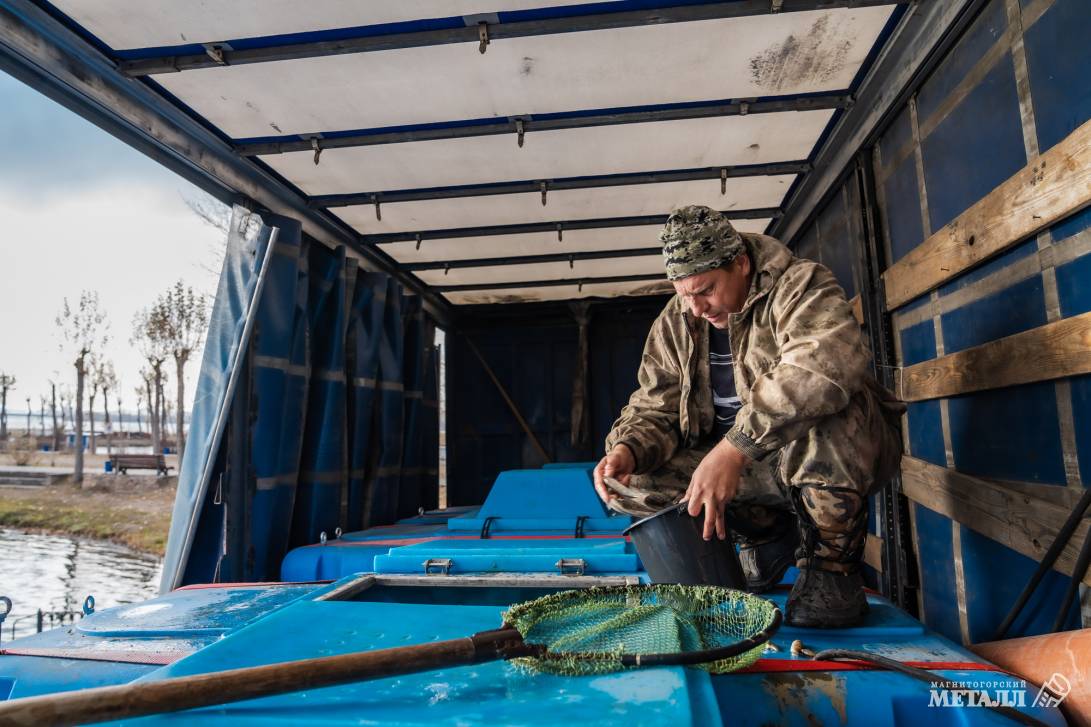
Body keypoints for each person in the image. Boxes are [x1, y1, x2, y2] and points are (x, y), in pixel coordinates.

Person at [593, 205, 903, 628]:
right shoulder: (675, 322)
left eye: (706, 290)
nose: (697, 307)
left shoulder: (801, 284)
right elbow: (654, 403)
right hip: (744, 474)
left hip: (822, 458)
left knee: (829, 406)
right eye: (684, 294)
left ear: (740, 263)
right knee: (633, 481)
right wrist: (628, 447)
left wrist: (734, 449)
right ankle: (764, 537)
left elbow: (823, 366)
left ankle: (832, 572)